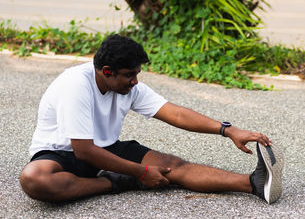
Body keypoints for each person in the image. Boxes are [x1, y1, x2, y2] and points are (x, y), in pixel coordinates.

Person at [19, 34, 284, 204]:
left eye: (137, 74)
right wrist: (140, 172)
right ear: (107, 72)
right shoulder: (75, 85)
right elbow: (83, 150)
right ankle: (112, 181)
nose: (135, 82)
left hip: (107, 148)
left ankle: (254, 183)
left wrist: (228, 130)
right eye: (129, 76)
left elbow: (175, 113)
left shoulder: (126, 86)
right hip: (61, 154)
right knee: (34, 179)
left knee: (172, 165)